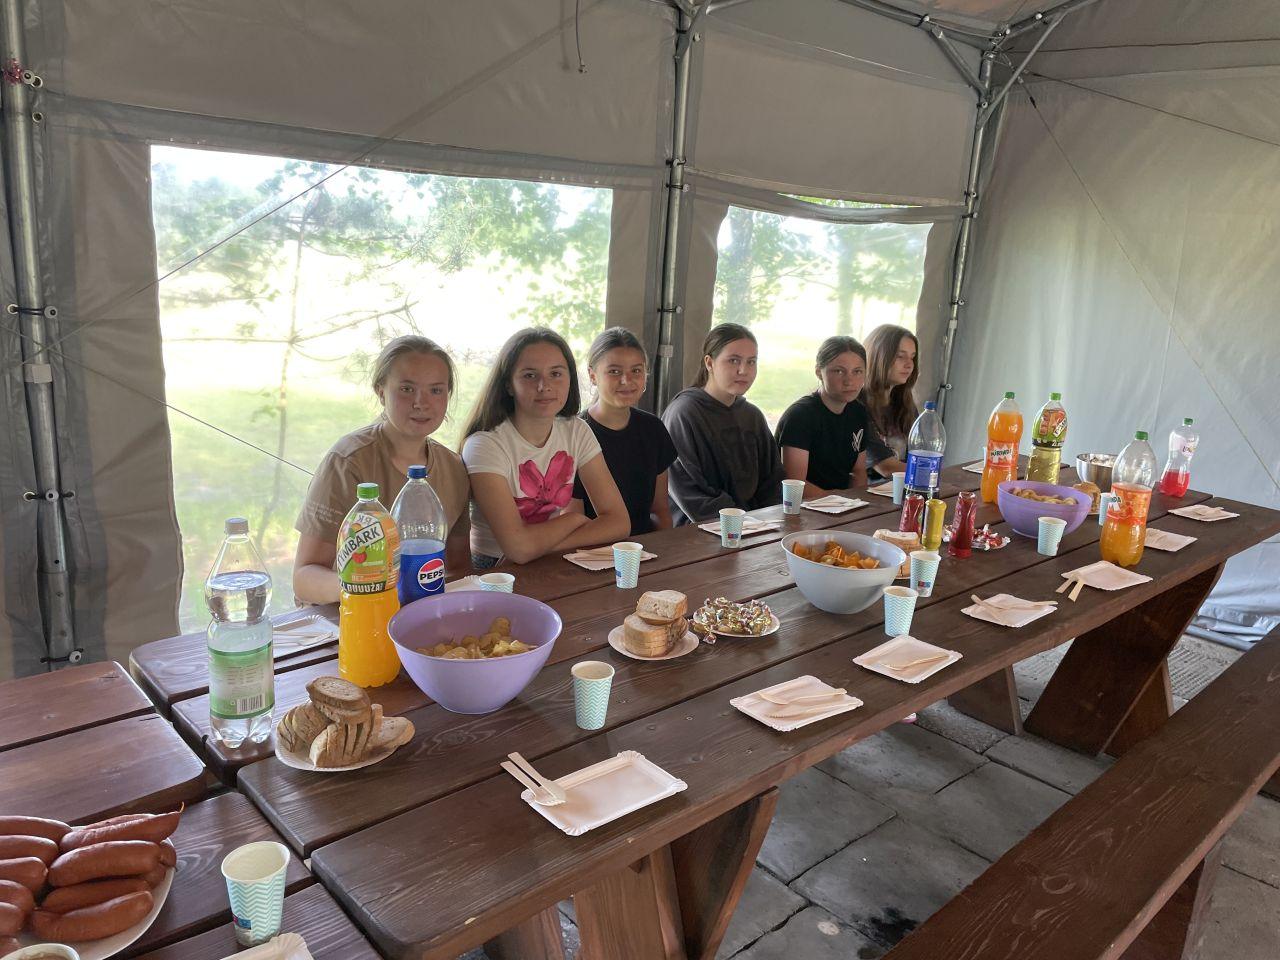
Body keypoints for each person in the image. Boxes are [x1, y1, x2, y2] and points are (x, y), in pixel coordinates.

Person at [293, 335, 471, 604]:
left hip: (422, 612)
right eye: (407, 389)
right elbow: (304, 578)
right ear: (380, 391)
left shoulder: (454, 468)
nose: (421, 402)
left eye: (435, 390)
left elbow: (458, 568)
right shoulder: (348, 461)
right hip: (349, 615)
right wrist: (371, 587)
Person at [461, 327, 629, 566]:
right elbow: (518, 549)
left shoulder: (576, 430)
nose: (544, 385)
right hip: (494, 568)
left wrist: (540, 547)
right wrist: (572, 520)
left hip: (548, 557)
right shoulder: (484, 445)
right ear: (508, 384)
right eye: (530, 375)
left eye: (556, 374)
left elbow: (619, 523)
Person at [662, 322, 786, 525]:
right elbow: (690, 492)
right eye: (733, 360)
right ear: (710, 363)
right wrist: (745, 523)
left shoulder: (752, 416)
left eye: (751, 362)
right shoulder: (683, 414)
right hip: (701, 529)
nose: (743, 370)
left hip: (756, 525)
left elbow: (773, 482)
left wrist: (768, 520)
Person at [570, 327, 678, 535]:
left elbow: (660, 511)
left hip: (644, 547)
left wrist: (662, 549)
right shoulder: (575, 435)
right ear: (592, 375)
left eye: (636, 371)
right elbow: (573, 520)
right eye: (614, 371)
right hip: (591, 547)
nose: (626, 380)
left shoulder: (653, 429)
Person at [777, 335, 884, 497]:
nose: (849, 381)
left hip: (842, 502)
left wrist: (857, 501)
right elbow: (795, 484)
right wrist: (839, 502)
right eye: (839, 371)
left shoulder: (858, 412)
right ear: (819, 372)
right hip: (803, 504)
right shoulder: (800, 416)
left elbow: (858, 471)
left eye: (857, 372)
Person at [861, 324, 918, 482]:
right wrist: (932, 473)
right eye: (900, 356)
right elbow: (886, 467)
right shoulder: (857, 405)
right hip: (868, 492)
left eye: (912, 357)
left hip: (901, 488)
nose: (909, 364)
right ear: (878, 356)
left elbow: (921, 452)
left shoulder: (905, 402)